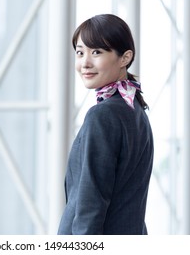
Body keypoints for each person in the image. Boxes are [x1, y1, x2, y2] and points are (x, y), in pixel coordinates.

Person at [57, 14, 154, 235]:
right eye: (80, 52)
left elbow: (91, 202)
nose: (85, 63)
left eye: (97, 52)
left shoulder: (103, 115)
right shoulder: (136, 111)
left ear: (125, 58)